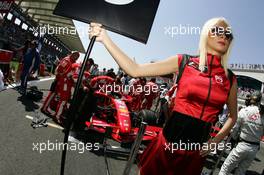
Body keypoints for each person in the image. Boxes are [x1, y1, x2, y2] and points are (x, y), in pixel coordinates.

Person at [89, 17, 237, 175]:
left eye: (228, 35)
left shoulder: (230, 78)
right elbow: (135, 70)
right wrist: (105, 38)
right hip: (165, 146)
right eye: (218, 31)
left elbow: (232, 116)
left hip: (195, 156)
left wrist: (215, 141)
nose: (223, 36)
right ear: (206, 34)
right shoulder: (184, 62)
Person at [219, 91, 264, 175]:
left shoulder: (244, 111)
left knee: (226, 168)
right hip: (254, 148)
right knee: (241, 172)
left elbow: (235, 128)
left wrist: (234, 138)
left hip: (242, 144)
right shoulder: (262, 115)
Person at [41, 51, 79, 123]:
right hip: (61, 81)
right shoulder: (67, 60)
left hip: (62, 81)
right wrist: (61, 78)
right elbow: (59, 70)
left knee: (59, 96)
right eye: (75, 55)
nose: (76, 57)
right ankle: (47, 109)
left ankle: (50, 110)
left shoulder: (71, 61)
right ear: (72, 54)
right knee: (57, 96)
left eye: (77, 56)